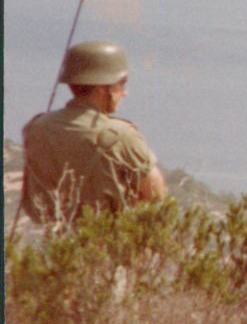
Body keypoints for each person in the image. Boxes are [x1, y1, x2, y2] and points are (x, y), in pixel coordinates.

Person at [22, 40, 168, 229]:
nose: (125, 92)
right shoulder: (121, 135)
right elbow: (155, 194)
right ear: (102, 88)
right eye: (121, 84)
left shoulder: (36, 128)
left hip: (58, 247)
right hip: (110, 246)